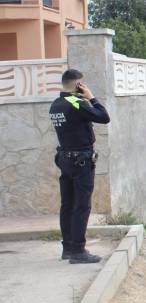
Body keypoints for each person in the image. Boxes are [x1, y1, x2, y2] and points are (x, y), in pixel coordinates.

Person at [49, 69, 110, 264]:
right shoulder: (75, 102)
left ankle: (68, 248)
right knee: (81, 205)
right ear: (78, 85)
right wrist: (91, 97)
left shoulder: (56, 104)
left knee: (67, 204)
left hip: (65, 159)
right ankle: (78, 250)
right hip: (80, 161)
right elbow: (103, 116)